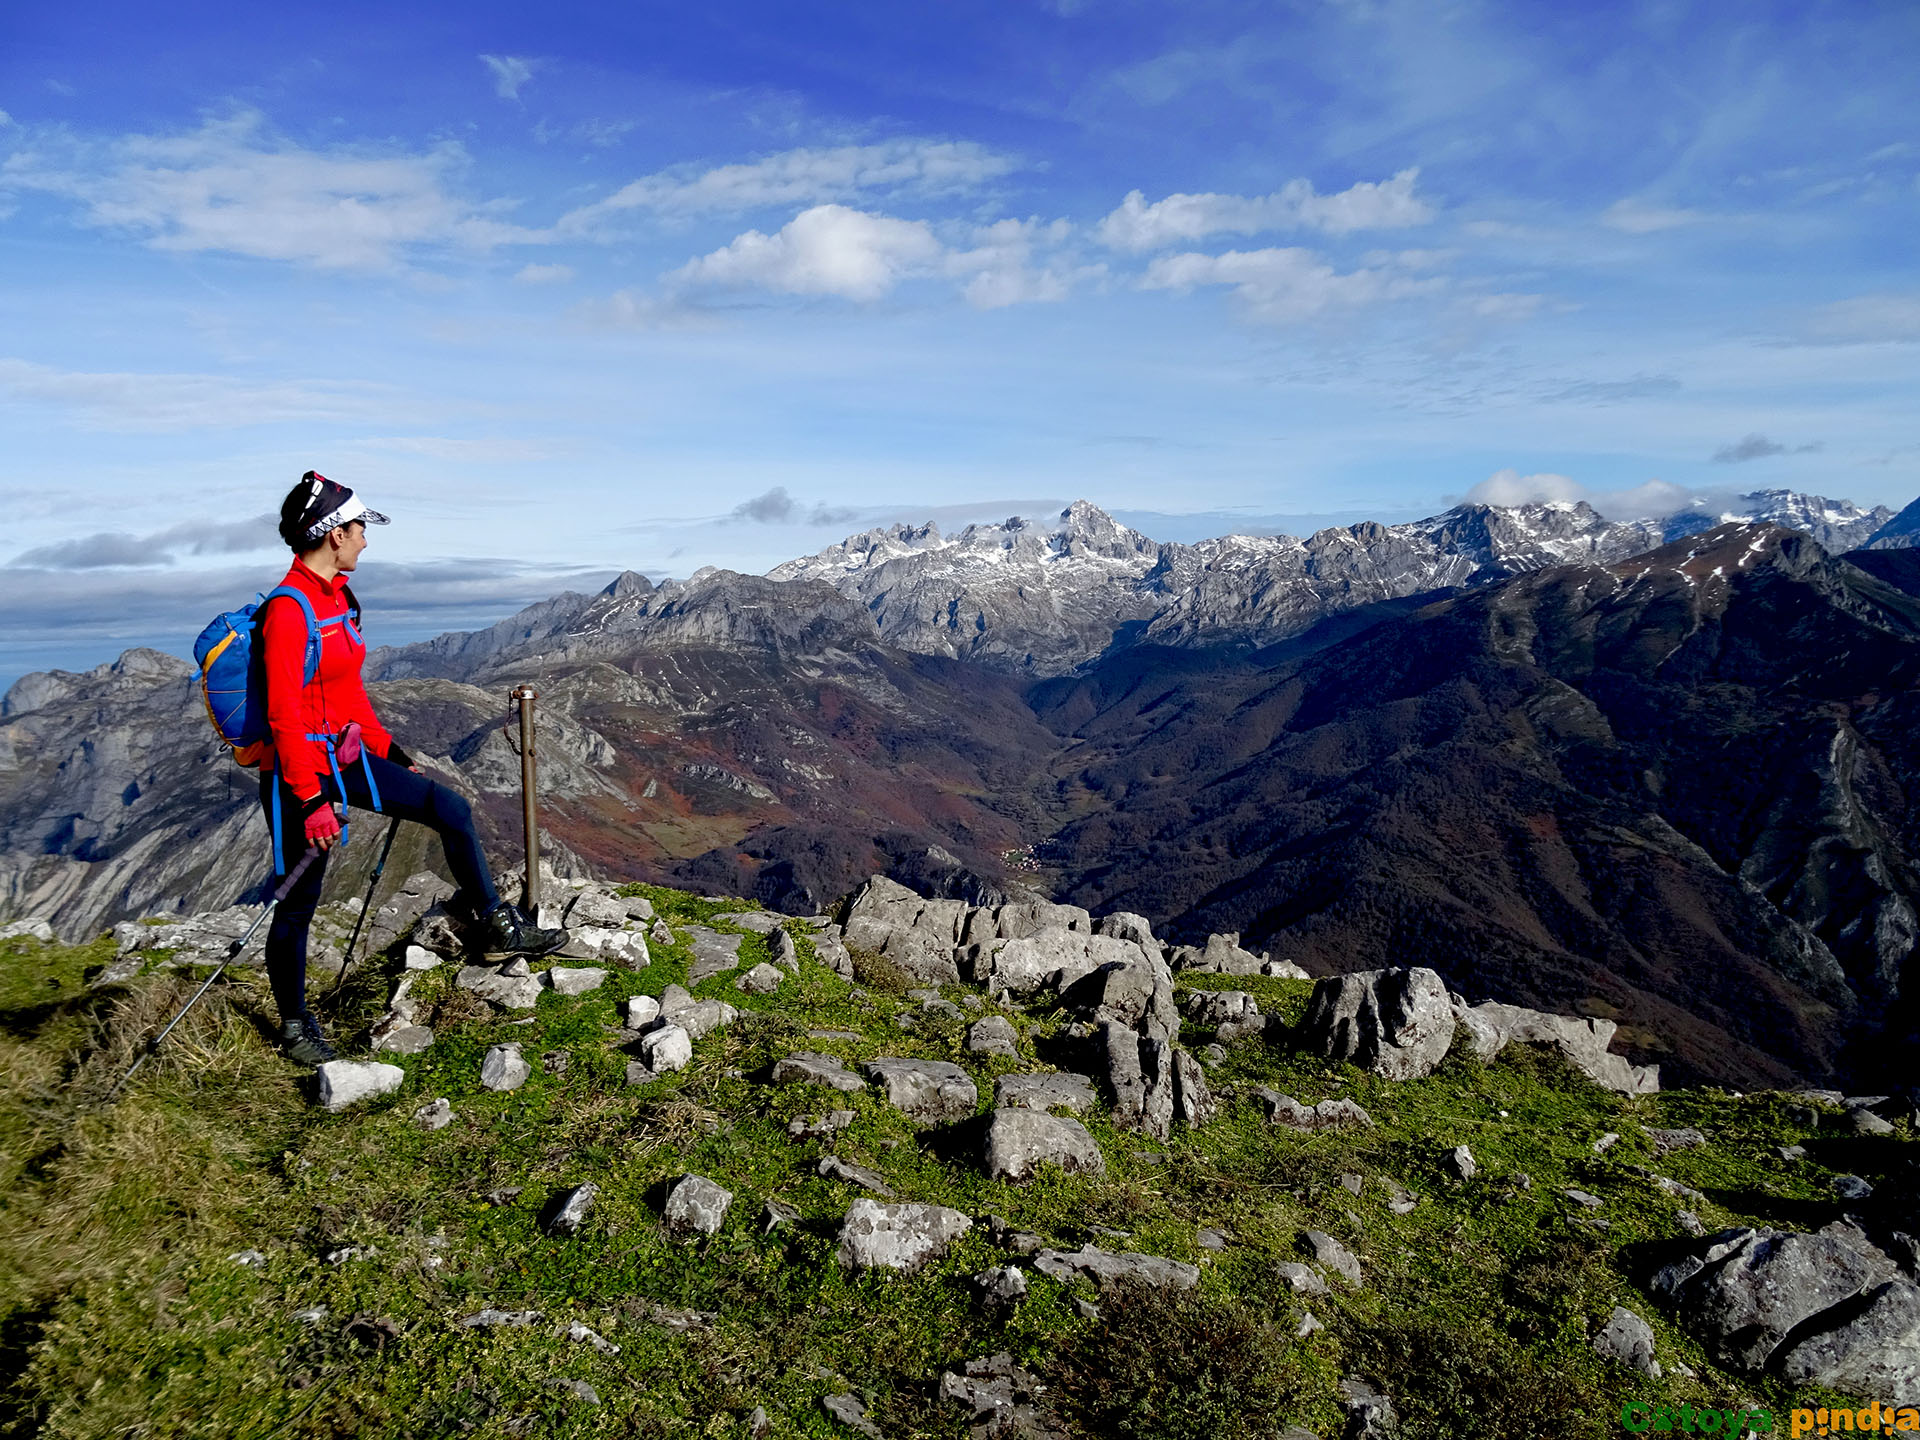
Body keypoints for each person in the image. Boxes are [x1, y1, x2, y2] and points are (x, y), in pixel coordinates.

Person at [260, 471, 565, 1066]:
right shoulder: (288, 611)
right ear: (331, 535)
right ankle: (295, 1024)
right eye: (357, 530)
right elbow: (282, 717)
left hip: (345, 757)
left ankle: (497, 927)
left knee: (448, 807)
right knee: (300, 899)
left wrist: (390, 751)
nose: (365, 541)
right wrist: (309, 801)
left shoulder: (336, 598)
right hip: (299, 770)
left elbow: (346, 693)